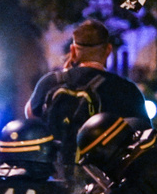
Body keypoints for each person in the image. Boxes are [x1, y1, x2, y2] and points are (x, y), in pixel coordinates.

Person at [25, 20, 148, 172]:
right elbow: (143, 133)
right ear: (108, 50)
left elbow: (30, 114)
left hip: (56, 175)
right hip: (103, 179)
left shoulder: (50, 82)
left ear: (73, 50)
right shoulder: (126, 89)